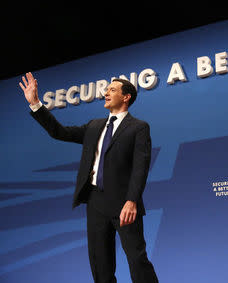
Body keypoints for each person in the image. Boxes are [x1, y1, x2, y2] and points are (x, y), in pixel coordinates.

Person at [19, 72, 159, 283]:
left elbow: (141, 167)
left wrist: (132, 200)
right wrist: (36, 103)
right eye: (107, 89)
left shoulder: (139, 127)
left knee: (137, 261)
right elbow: (60, 132)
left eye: (112, 90)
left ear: (126, 96)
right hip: (95, 203)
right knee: (100, 266)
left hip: (124, 204)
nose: (106, 93)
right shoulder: (94, 126)